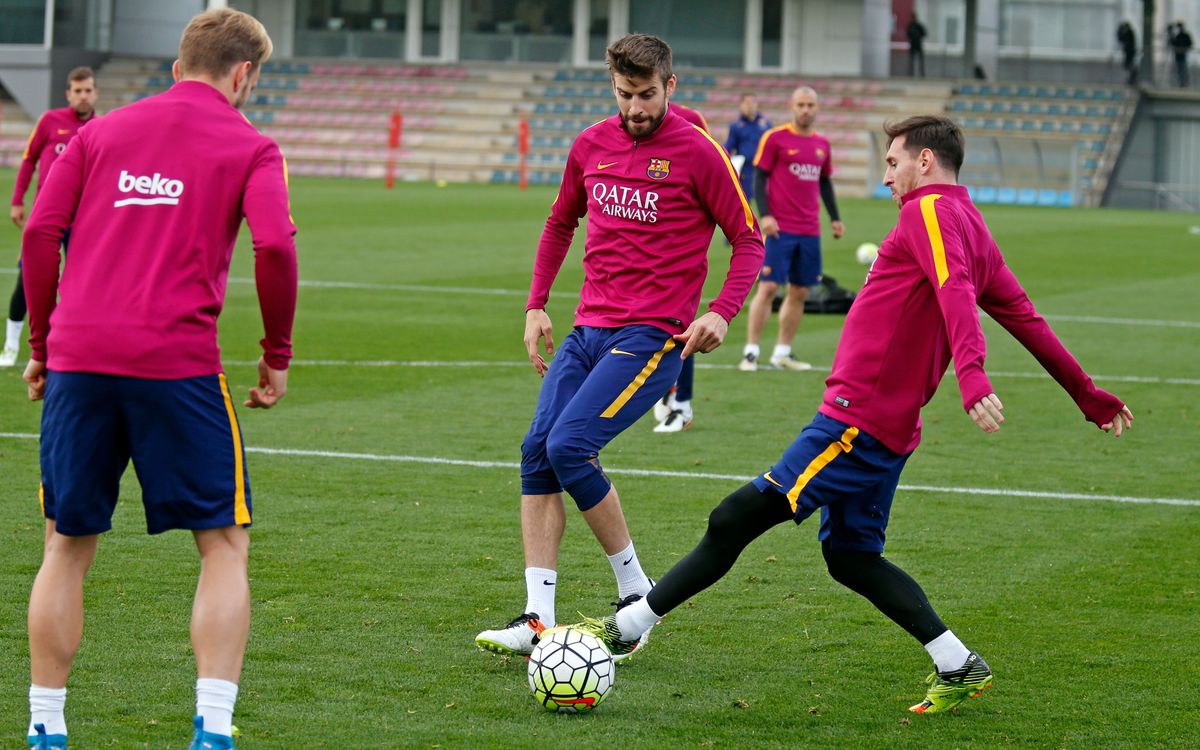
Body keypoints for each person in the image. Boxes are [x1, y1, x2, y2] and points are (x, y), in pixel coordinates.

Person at [574, 114, 1134, 714]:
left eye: (892, 163)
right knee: (851, 556)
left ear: (924, 161)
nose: (886, 176)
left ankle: (629, 626)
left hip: (855, 421)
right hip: (887, 427)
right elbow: (1025, 316)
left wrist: (971, 375)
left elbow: (954, 294)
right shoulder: (970, 222)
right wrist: (1087, 395)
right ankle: (957, 663)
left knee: (734, 516)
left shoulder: (930, 212)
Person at [20, 9, 297, 750]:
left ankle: (46, 728)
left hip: (80, 362)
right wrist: (277, 351)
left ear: (178, 67)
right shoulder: (251, 144)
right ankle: (211, 728)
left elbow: (41, 231)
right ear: (244, 75)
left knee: (64, 544)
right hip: (177, 366)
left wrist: (43, 343)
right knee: (222, 544)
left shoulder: (98, 133)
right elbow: (274, 246)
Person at [474, 33, 763, 659]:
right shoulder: (591, 144)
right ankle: (537, 620)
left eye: (647, 95)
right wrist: (534, 306)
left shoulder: (700, 152)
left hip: (652, 336)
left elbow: (748, 240)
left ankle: (637, 591)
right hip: (588, 328)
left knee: (570, 445)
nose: (636, 107)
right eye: (625, 95)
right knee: (537, 451)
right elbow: (559, 222)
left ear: (671, 86)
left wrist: (720, 311)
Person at [739, 87, 844, 373]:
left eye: (811, 105)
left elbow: (824, 182)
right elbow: (759, 178)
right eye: (801, 104)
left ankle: (782, 353)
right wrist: (766, 216)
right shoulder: (774, 138)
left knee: (799, 291)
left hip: (810, 230)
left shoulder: (822, 144)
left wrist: (835, 217)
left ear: (817, 108)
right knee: (769, 286)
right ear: (791, 106)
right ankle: (751, 351)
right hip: (779, 228)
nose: (806, 110)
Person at [2, 67, 98, 369]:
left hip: (83, 220)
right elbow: (29, 159)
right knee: (26, 280)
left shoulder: (102, 128)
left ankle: (71, 347)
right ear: (69, 94)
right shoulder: (50, 121)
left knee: (81, 283)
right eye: (77, 91)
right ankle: (11, 344)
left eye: (88, 90)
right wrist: (18, 201)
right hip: (48, 217)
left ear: (95, 93)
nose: (83, 96)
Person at [654, 100, 710, 434]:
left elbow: (712, 174)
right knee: (646, 329)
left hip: (679, 251)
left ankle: (683, 405)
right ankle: (664, 393)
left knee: (679, 325)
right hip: (640, 252)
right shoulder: (627, 124)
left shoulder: (691, 120)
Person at [724, 92, 772, 201]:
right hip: (745, 170)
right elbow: (729, 147)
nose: (750, 105)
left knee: (765, 201)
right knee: (744, 202)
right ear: (741, 105)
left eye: (753, 102)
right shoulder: (736, 126)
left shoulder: (766, 125)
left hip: (762, 168)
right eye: (747, 102)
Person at [1170, 22, 1193, 87]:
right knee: (1179, 70)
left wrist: (1184, 49)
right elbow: (1173, 43)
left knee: (1183, 69)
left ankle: (1185, 82)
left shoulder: (1185, 36)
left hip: (1183, 55)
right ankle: (1181, 82)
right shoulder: (1177, 36)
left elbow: (1190, 43)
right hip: (1177, 56)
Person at [907, 12, 928, 78]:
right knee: (912, 60)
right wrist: (913, 37)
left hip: (918, 45)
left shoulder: (919, 26)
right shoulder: (910, 26)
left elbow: (924, 33)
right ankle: (911, 73)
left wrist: (918, 36)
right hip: (913, 45)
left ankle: (922, 74)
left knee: (920, 60)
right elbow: (908, 34)